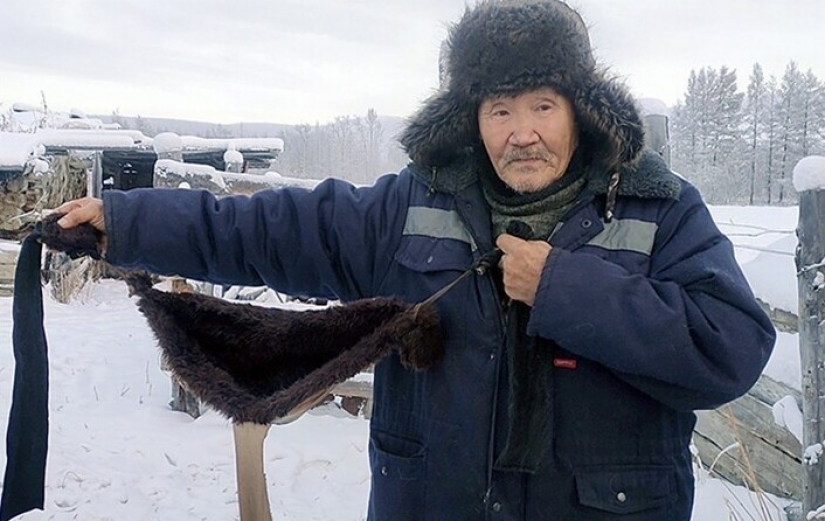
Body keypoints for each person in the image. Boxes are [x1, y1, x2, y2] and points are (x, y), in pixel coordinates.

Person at [56, 0, 776, 519]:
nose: (521, 133)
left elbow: (729, 348)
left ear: (579, 110)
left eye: (541, 106)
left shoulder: (658, 206)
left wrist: (562, 287)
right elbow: (269, 229)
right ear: (472, 120)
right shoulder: (415, 203)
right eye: (499, 110)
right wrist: (125, 219)